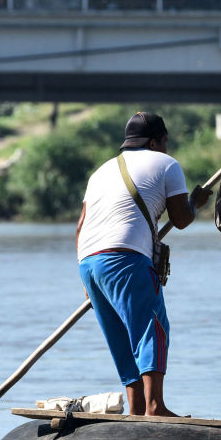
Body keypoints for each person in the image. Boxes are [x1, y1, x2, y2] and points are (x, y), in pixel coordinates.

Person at [77, 112, 210, 416]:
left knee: (121, 337)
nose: (166, 147)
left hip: (88, 262)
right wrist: (196, 202)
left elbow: (81, 224)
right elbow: (180, 218)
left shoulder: (100, 171)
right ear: (154, 142)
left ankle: (136, 408)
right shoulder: (167, 164)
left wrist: (85, 280)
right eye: (164, 142)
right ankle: (155, 406)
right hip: (124, 258)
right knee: (152, 328)